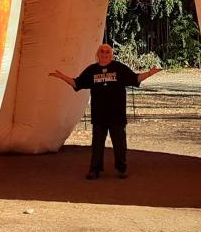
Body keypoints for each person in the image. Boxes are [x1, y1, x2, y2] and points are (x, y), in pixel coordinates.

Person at [49, 44, 161, 180]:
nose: (105, 53)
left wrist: (149, 73)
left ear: (111, 54)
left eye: (107, 51)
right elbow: (77, 83)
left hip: (117, 114)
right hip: (99, 115)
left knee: (119, 143)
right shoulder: (92, 70)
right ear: (98, 54)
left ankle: (121, 168)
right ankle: (94, 170)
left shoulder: (119, 68)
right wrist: (62, 77)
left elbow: (135, 79)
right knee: (97, 144)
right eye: (102, 51)